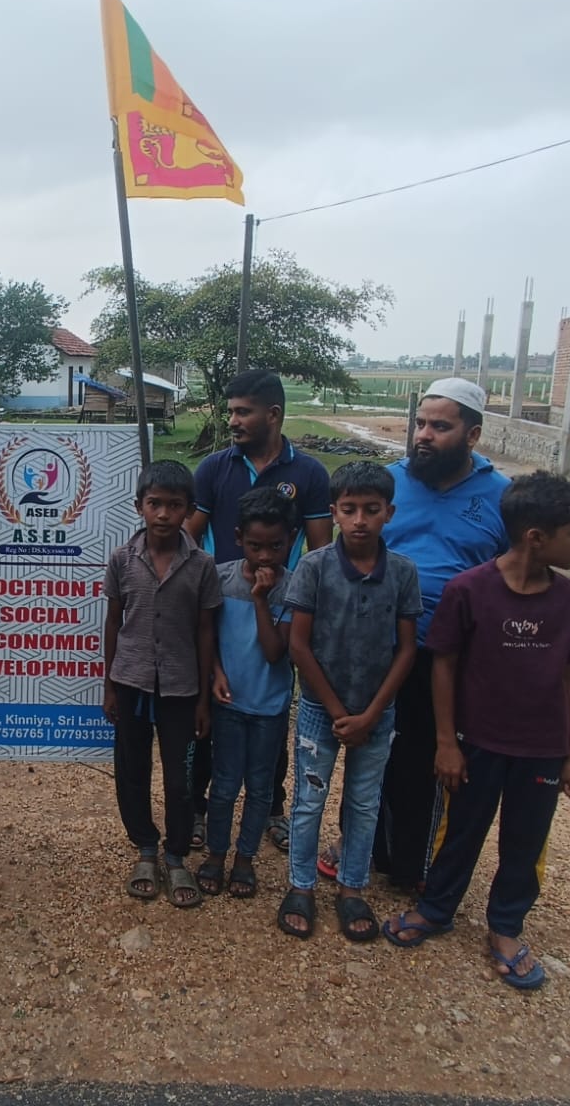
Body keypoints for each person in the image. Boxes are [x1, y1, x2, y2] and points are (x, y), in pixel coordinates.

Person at [383, 472, 570, 991]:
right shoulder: (469, 590)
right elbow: (443, 665)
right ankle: (437, 908)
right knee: (459, 831)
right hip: (477, 743)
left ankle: (506, 926)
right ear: (535, 537)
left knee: (526, 840)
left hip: (541, 749)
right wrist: (446, 742)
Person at [372, 377, 512, 893]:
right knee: (371, 752)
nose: (424, 436)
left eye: (440, 426)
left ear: (472, 435)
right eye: (420, 423)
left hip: (449, 657)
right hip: (379, 648)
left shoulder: (501, 496)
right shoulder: (388, 484)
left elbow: (513, 576)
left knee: (428, 758)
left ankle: (414, 867)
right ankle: (363, 847)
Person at [185, 369, 331, 852]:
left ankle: (271, 809)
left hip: (280, 608)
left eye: (242, 412)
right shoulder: (214, 468)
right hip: (223, 603)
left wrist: (297, 604)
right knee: (212, 711)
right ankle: (201, 809)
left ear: (273, 414)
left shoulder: (308, 474)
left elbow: (320, 551)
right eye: (230, 411)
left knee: (272, 706)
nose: (232, 420)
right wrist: (202, 590)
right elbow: (189, 536)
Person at [281, 462, 421, 942]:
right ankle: (300, 885)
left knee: (364, 803)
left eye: (371, 509)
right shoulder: (314, 567)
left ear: (389, 513)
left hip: (377, 713)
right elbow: (299, 645)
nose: (360, 520)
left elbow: (407, 649)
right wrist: (340, 712)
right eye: (349, 509)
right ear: (334, 513)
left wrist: (373, 713)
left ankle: (352, 887)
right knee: (308, 801)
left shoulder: (402, 572)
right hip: (321, 710)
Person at [102, 459, 222, 909]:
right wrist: (109, 686)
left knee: (181, 777)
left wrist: (204, 698)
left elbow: (205, 631)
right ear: (139, 506)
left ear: (189, 509)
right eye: (155, 504)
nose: (164, 514)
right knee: (131, 770)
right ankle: (146, 848)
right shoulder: (122, 559)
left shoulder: (202, 565)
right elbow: (113, 623)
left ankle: (176, 853)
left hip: (181, 689)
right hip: (131, 682)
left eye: (175, 505)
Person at [198, 486, 298, 901]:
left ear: (291, 540)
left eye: (276, 546)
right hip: (228, 703)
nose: (265, 556)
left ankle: (245, 858)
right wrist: (215, 674)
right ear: (239, 538)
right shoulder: (219, 578)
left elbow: (276, 652)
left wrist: (260, 600)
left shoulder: (293, 587)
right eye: (255, 546)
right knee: (223, 785)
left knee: (260, 788)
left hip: (269, 708)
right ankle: (216, 853)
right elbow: (207, 636)